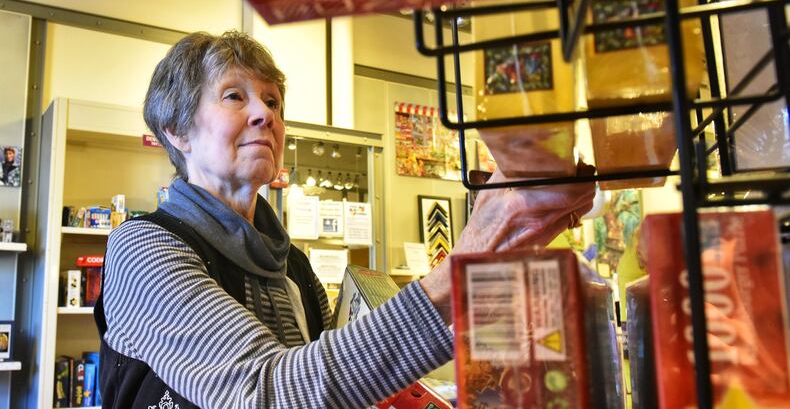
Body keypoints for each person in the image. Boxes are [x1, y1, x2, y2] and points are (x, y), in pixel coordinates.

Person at [97, 31, 595, 409]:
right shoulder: (144, 249)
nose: (264, 115)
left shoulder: (290, 262)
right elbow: (264, 392)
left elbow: (339, 376)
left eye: (272, 100)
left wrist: (507, 245)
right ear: (177, 130)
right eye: (234, 96)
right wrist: (466, 261)